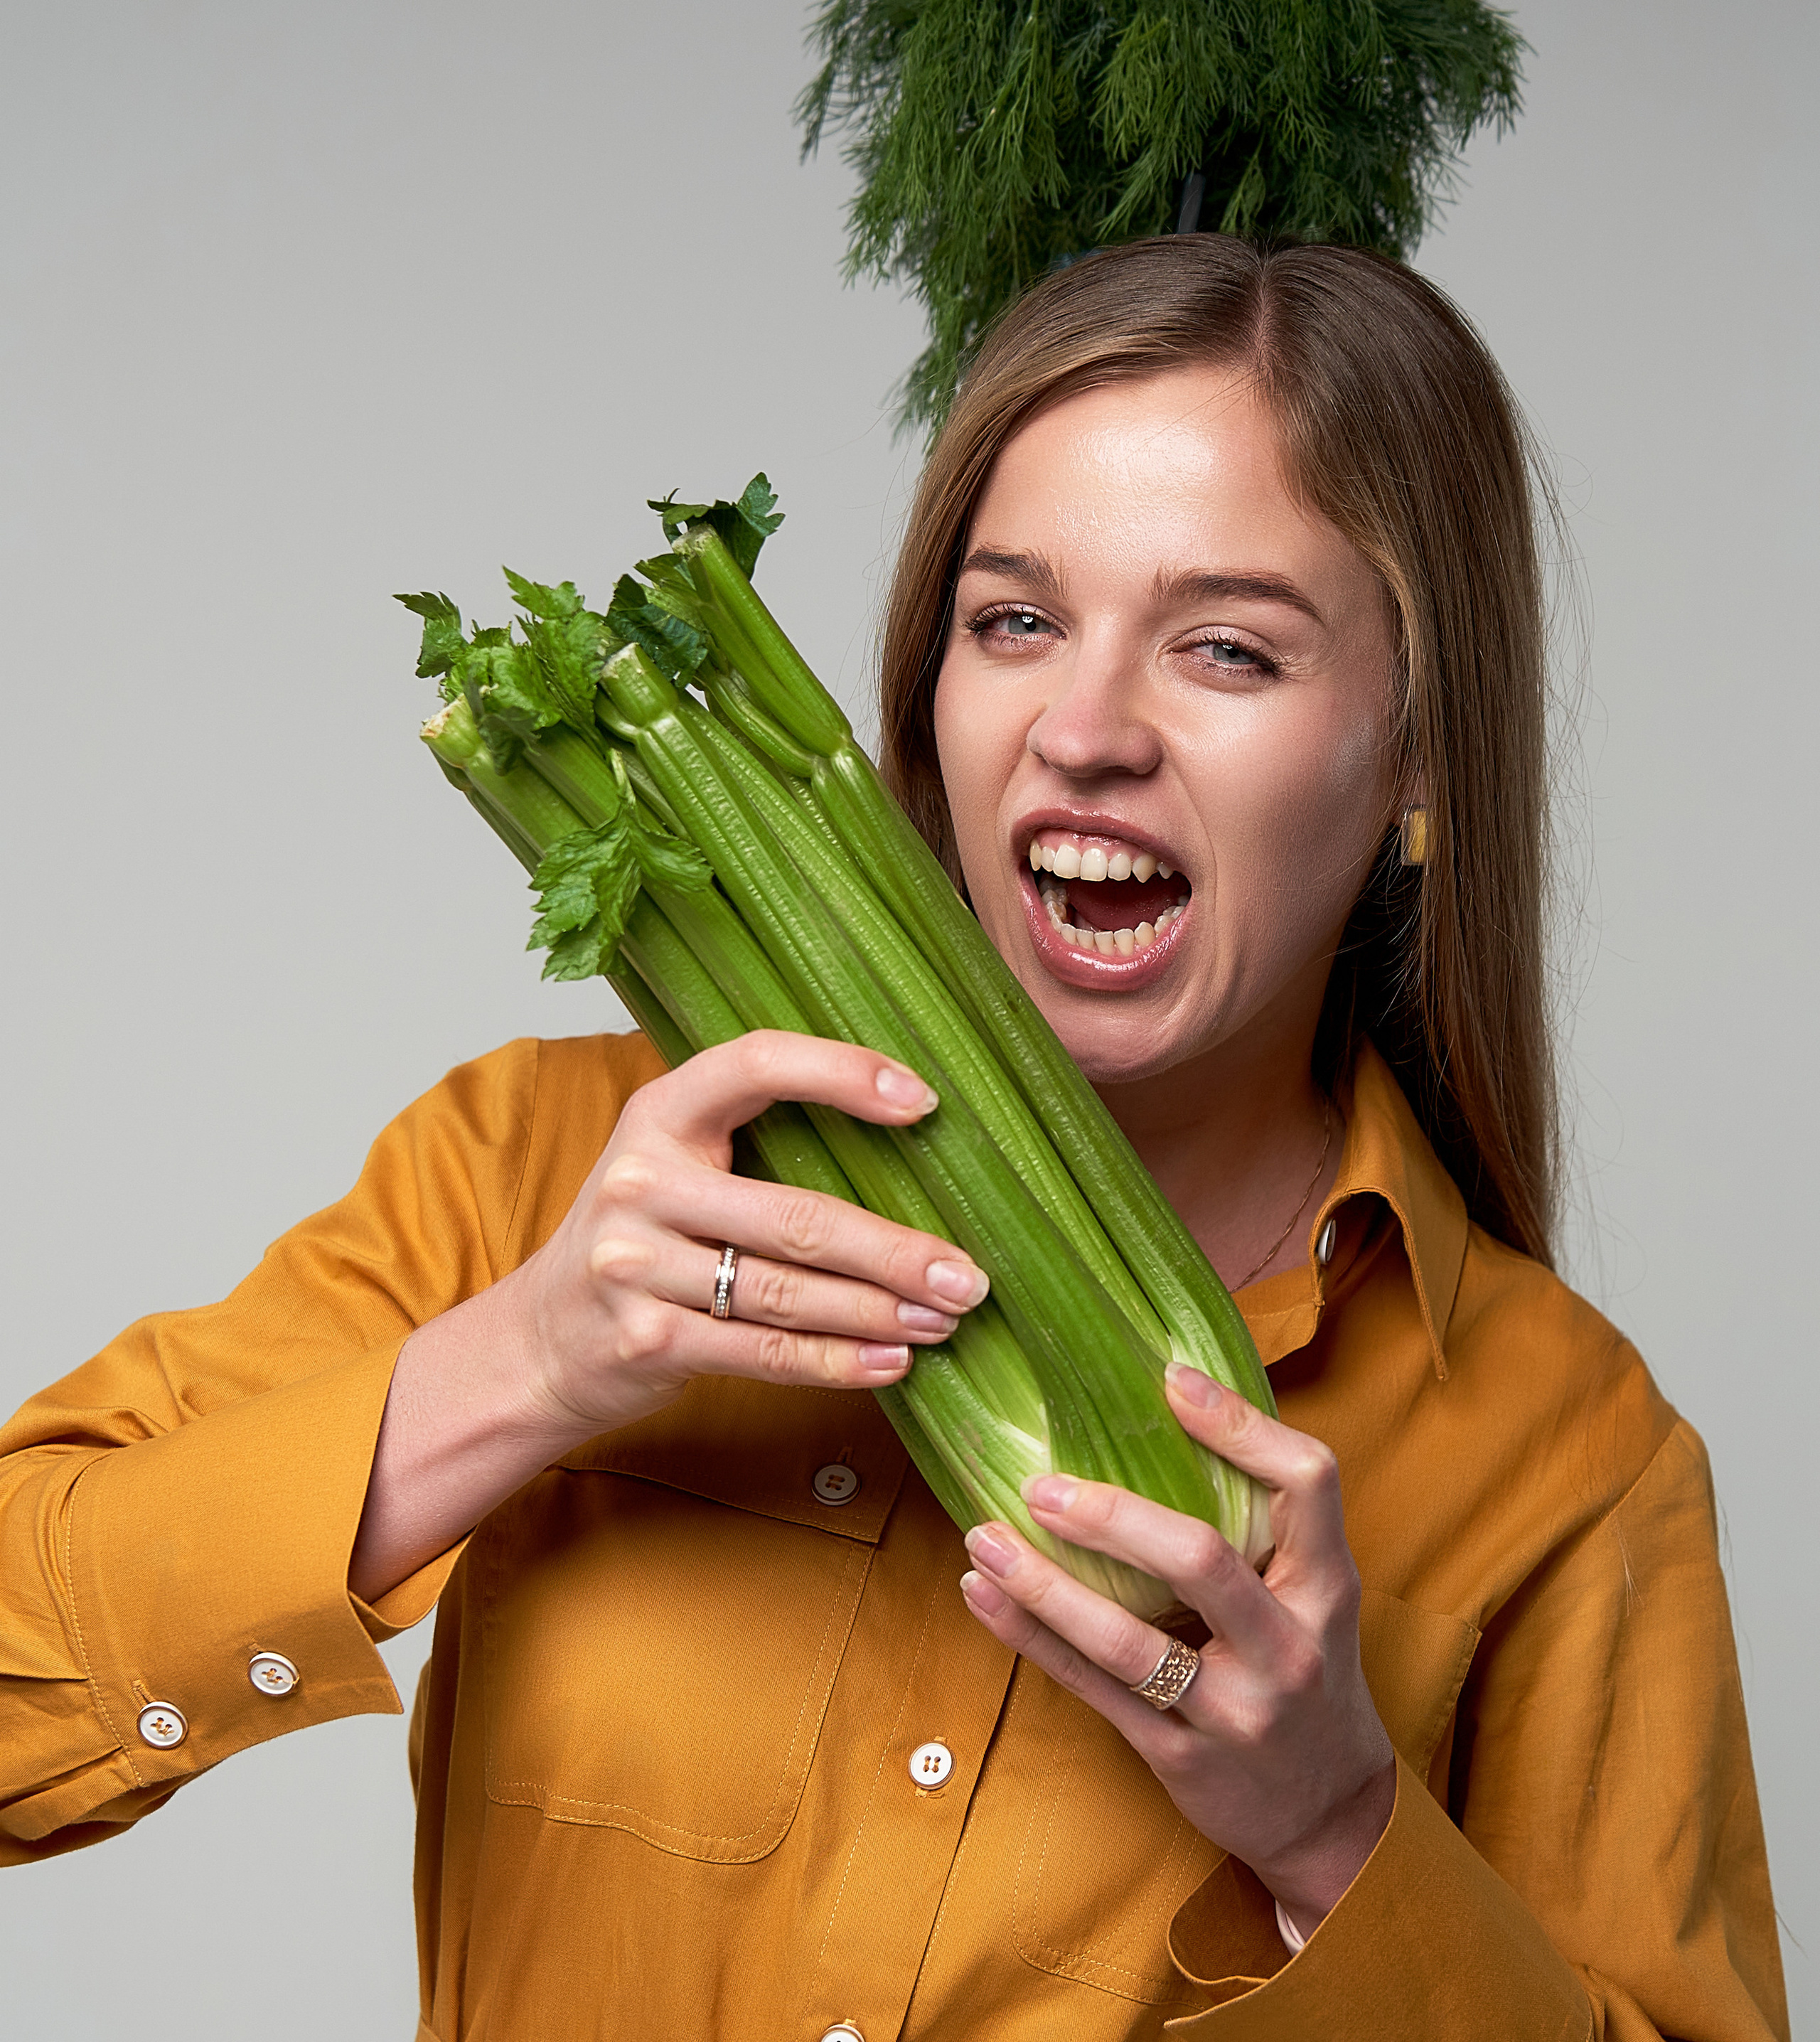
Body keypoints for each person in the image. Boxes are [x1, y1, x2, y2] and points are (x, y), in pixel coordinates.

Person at [0, 240, 1787, 2040]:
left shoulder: (1568, 1465)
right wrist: (524, 1365)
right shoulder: (538, 1172)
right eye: (1013, 620)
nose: (1083, 733)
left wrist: (1333, 1830)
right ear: (926, 694)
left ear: (1415, 755)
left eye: (1227, 648)